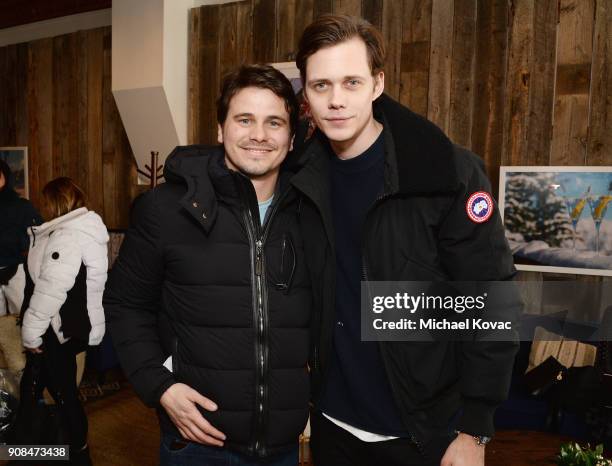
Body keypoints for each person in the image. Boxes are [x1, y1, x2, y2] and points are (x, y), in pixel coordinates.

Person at [289, 14, 519, 466]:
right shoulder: (301, 178)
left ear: (377, 84)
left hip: (423, 433)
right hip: (332, 425)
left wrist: (476, 428)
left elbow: (491, 300)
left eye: (351, 82)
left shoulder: (446, 172)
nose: (336, 101)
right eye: (321, 86)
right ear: (306, 93)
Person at [104, 64, 313, 466]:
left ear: (290, 139)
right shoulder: (165, 210)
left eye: (274, 122)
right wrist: (160, 386)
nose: (259, 135)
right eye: (244, 120)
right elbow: (125, 305)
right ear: (220, 130)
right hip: (199, 443)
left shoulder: (309, 214)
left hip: (283, 447)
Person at [14, 177, 109, 466]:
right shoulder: (79, 230)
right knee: (42, 387)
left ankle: (73, 455)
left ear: (55, 202)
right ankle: (30, 452)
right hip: (65, 325)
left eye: (45, 201)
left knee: (61, 393)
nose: (40, 206)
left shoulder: (65, 236)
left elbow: (51, 289)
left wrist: (31, 334)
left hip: (55, 328)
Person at [0, 159, 42, 317]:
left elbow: (38, 231)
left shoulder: (21, 205)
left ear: (6, 177)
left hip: (16, 269)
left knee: (21, 314)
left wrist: (24, 247)